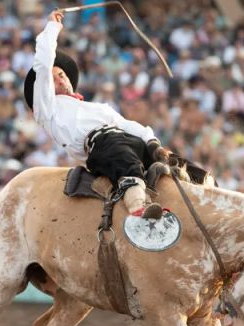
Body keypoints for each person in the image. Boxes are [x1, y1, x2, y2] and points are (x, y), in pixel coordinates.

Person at [23, 9, 168, 220]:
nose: (60, 80)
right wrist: (52, 27)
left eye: (61, 75)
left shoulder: (98, 108)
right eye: (53, 79)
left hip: (124, 140)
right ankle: (138, 204)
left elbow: (126, 124)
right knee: (119, 151)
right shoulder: (46, 108)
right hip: (101, 147)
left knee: (167, 161)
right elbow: (44, 63)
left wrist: (151, 141)